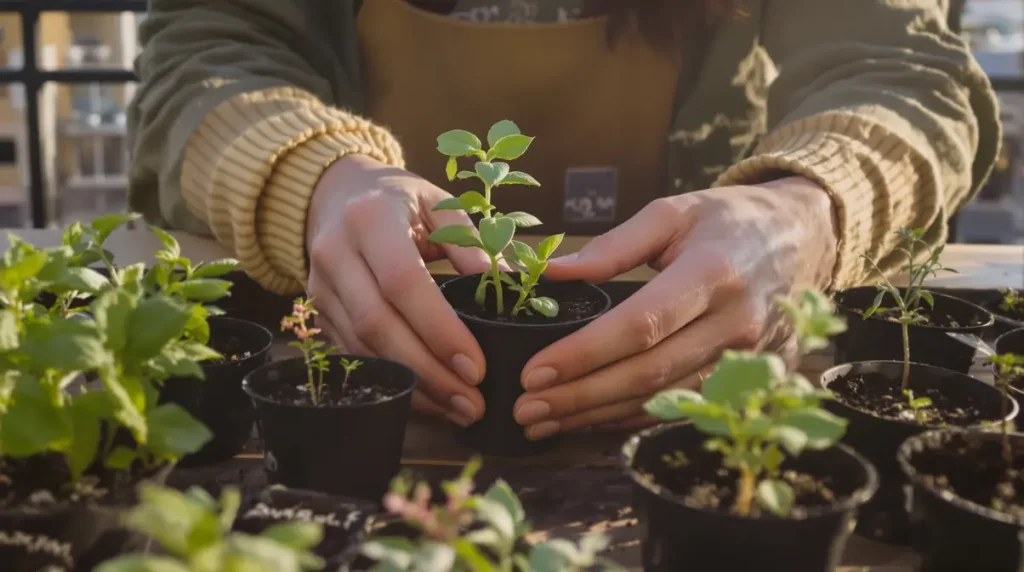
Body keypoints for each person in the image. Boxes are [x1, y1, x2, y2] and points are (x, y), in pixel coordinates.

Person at [128, 0, 1000, 440]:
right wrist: (307, 175)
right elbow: (206, 46)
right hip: (371, 375)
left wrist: (806, 206)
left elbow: (902, 71)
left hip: (690, 372)